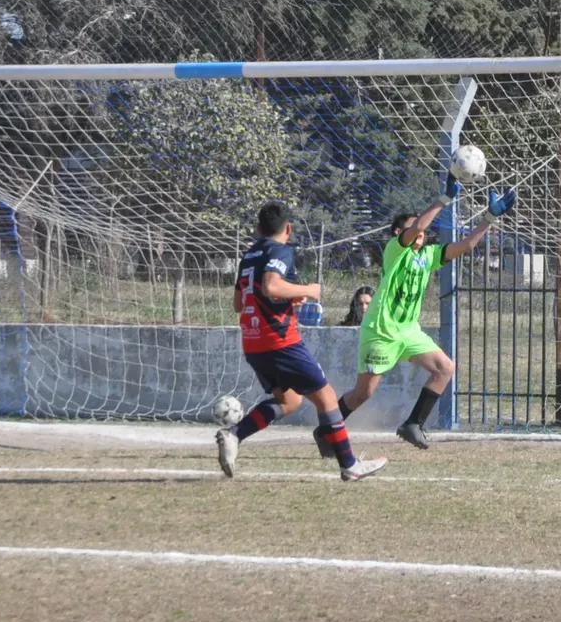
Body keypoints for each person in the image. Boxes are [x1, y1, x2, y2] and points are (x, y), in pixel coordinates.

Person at [314, 174, 515, 454]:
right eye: (413, 229)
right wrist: (443, 199)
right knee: (364, 393)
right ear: (400, 234)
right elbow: (421, 223)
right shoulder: (395, 251)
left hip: (408, 331)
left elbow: (467, 245)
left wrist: (490, 218)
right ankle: (325, 431)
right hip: (381, 331)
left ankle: (413, 424)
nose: (421, 232)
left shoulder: (429, 255)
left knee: (445, 368)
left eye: (421, 231)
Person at [217, 201, 387, 481]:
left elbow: (239, 303)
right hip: (280, 341)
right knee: (328, 398)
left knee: (289, 401)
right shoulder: (280, 250)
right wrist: (308, 289)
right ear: (288, 228)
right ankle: (349, 465)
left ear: (258, 229)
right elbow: (271, 286)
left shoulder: (248, 256)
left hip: (253, 342)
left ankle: (235, 435)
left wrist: (289, 298)